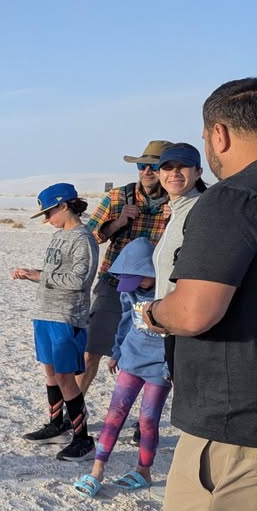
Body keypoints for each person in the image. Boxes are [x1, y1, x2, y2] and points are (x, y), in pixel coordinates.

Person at [141, 78, 257, 511]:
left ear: (219, 135)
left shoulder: (232, 200)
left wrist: (153, 314)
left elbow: (193, 313)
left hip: (237, 427)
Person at [71, 238, 170, 498]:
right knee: (115, 414)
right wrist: (116, 352)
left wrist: (173, 366)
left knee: (148, 420)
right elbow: (126, 321)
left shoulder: (169, 293)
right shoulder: (129, 290)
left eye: (136, 279)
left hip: (160, 367)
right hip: (131, 360)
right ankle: (97, 471)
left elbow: (180, 335)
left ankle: (143, 471)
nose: (131, 286)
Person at [79, 140, 172, 401]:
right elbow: (89, 238)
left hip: (159, 289)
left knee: (157, 355)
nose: (146, 172)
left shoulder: (178, 203)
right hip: (114, 282)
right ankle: (72, 414)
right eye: (142, 166)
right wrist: (118, 221)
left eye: (153, 166)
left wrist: (174, 221)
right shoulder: (118, 197)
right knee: (91, 350)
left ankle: (145, 421)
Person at [13, 183, 100, 461]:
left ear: (64, 206)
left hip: (66, 316)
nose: (47, 220)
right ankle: (56, 426)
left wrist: (40, 277)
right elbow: (54, 272)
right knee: (51, 373)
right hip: (45, 313)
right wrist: (34, 273)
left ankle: (83, 438)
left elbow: (78, 280)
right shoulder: (59, 236)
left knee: (65, 377)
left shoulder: (82, 239)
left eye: (49, 213)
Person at [151, 142, 206, 380]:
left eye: (182, 166)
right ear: (159, 173)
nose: (174, 172)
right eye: (168, 167)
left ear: (198, 172)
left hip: (191, 325)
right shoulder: (176, 211)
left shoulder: (201, 209)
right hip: (171, 324)